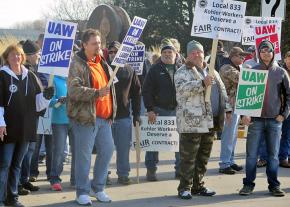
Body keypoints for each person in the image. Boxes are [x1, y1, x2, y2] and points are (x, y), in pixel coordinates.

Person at [175, 40, 231, 199]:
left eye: (198, 51)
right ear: (188, 55)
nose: (196, 54)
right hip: (191, 123)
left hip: (210, 121)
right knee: (188, 158)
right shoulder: (182, 71)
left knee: (203, 157)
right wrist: (202, 83)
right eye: (192, 52)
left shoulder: (212, 70)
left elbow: (222, 90)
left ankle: (198, 186)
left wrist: (227, 108)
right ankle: (184, 188)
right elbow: (182, 90)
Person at [0, 44, 54, 207]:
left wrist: (46, 97)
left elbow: (38, 104)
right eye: (12, 55)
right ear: (7, 58)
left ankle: (13, 197)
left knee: (17, 164)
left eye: (18, 55)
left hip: (26, 127)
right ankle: (1, 198)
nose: (16, 58)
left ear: (22, 57)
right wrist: (0, 123)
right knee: (5, 164)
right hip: (8, 128)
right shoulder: (2, 76)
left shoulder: (30, 75)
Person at [67, 29, 116, 205]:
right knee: (84, 156)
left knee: (108, 150)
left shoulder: (102, 62)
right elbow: (73, 90)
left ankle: (98, 187)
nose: (99, 46)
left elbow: (111, 90)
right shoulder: (76, 64)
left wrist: (112, 112)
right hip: (85, 119)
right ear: (84, 45)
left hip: (104, 119)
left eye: (99, 43)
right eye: (94, 43)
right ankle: (82, 191)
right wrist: (96, 93)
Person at [239, 40, 290, 197]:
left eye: (268, 51)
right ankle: (248, 184)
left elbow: (289, 95)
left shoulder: (281, 72)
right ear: (258, 53)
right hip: (255, 121)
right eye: (262, 51)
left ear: (273, 53)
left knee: (273, 156)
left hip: (275, 120)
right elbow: (243, 95)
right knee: (252, 155)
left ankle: (274, 185)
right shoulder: (252, 71)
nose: (266, 53)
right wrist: (243, 115)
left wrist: (284, 114)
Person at [142, 38, 183, 181]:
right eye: (164, 52)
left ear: (175, 53)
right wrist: (150, 109)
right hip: (159, 110)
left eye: (169, 51)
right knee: (154, 143)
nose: (167, 54)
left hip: (177, 111)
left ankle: (180, 170)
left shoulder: (182, 68)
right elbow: (146, 91)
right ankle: (151, 170)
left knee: (179, 143)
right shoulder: (154, 69)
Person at [106, 41, 141, 184]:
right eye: (111, 52)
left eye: (116, 51)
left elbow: (137, 92)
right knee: (105, 149)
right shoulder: (103, 68)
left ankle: (123, 174)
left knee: (123, 148)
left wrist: (137, 114)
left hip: (124, 116)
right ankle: (104, 174)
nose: (113, 54)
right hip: (105, 116)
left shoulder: (129, 70)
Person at [218, 47, 250, 174]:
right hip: (228, 108)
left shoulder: (237, 67)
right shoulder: (226, 68)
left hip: (235, 106)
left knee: (233, 135)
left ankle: (230, 161)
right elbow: (244, 79)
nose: (243, 58)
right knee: (228, 136)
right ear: (233, 56)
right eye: (240, 56)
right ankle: (224, 163)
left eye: (244, 56)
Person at [18, 40, 43, 195]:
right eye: (37, 53)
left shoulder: (35, 69)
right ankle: (17, 183)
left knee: (31, 150)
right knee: (22, 151)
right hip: (23, 118)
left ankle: (24, 179)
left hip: (34, 115)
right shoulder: (22, 71)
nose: (39, 56)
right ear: (28, 56)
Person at [49, 75, 73, 191]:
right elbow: (49, 101)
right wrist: (59, 100)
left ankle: (75, 179)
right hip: (59, 121)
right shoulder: (54, 79)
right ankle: (55, 179)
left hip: (76, 120)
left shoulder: (77, 78)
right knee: (59, 151)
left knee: (79, 152)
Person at [278, 51, 290, 168]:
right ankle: (281, 158)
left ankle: (285, 157)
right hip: (281, 107)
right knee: (278, 133)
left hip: (289, 107)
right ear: (285, 59)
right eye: (288, 58)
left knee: (287, 134)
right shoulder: (280, 72)